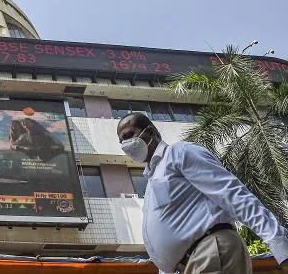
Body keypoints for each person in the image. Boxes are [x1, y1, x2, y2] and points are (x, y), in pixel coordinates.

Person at [117, 112, 288, 274]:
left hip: (210, 252)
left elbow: (230, 193)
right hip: (190, 265)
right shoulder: (152, 181)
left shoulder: (179, 153)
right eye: (122, 140)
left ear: (151, 131)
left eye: (129, 135)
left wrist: (279, 245)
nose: (126, 144)